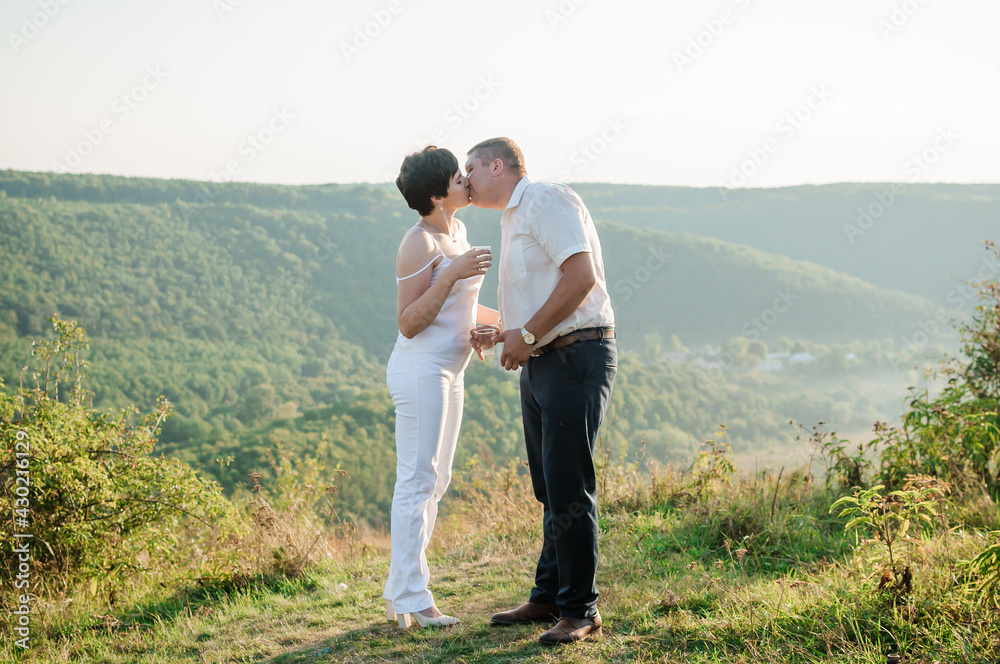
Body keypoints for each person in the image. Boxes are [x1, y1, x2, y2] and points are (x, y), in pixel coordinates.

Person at [465, 137, 617, 645]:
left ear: (497, 165)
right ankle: (549, 594)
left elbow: (581, 278)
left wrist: (526, 337)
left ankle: (581, 611)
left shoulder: (547, 200)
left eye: (471, 170)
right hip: (542, 359)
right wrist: (507, 330)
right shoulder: (512, 218)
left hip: (576, 355)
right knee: (549, 488)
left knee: (570, 486)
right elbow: (541, 292)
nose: (466, 180)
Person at [383, 146, 500, 629]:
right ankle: (414, 597)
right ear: (437, 194)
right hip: (420, 368)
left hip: (453, 369)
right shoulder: (420, 243)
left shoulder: (458, 230)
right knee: (417, 479)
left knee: (438, 480)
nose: (466, 181)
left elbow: (461, 310)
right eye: (457, 177)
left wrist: (495, 329)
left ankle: (398, 593)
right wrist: (451, 272)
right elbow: (409, 323)